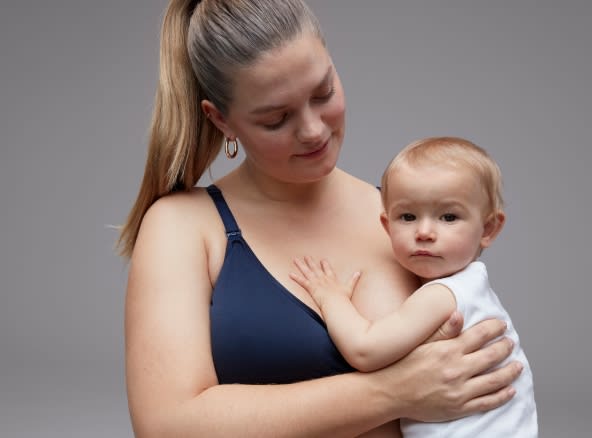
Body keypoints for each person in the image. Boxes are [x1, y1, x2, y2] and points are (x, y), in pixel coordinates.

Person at [118, 1, 523, 436]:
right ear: (221, 119)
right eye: (276, 119)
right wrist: (393, 391)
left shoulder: (407, 223)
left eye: (323, 93)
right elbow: (166, 426)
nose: (313, 130)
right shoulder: (183, 227)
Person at [291, 137, 538, 436]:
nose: (424, 232)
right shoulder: (473, 286)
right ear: (387, 226)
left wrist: (330, 297)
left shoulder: (443, 295)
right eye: (407, 217)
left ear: (488, 229)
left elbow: (365, 350)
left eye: (449, 217)